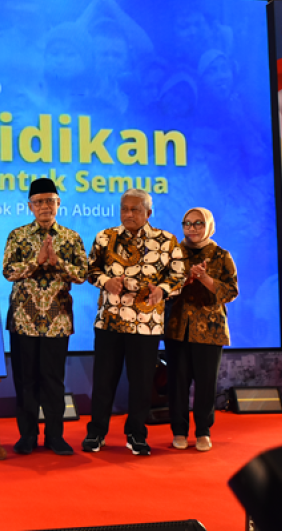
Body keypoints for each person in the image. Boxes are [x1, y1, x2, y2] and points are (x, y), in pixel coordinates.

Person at [84, 189, 186, 456]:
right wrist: (106, 281)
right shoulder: (105, 238)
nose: (128, 214)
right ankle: (96, 433)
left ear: (148, 213)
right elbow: (90, 269)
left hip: (147, 323)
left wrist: (162, 289)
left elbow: (179, 276)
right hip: (109, 321)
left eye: (135, 210)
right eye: (124, 209)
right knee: (103, 380)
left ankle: (136, 434)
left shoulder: (166, 241)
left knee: (141, 383)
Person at [3, 178, 88, 456]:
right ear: (30, 206)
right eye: (38, 202)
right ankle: (27, 436)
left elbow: (82, 274)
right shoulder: (17, 235)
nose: (44, 206)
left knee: (53, 380)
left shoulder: (72, 237)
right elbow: (8, 271)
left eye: (50, 201)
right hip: (23, 320)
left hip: (57, 319)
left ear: (58, 204)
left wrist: (57, 262)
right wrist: (36, 262)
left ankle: (55, 436)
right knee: (26, 380)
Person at [165, 207, 238, 452]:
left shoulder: (221, 255)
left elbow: (231, 292)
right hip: (177, 328)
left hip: (210, 329)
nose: (192, 228)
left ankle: (203, 431)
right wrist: (184, 280)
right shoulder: (173, 253)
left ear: (208, 226)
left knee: (206, 382)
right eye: (187, 223)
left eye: (198, 223)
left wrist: (206, 279)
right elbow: (162, 287)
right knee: (177, 381)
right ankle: (179, 430)